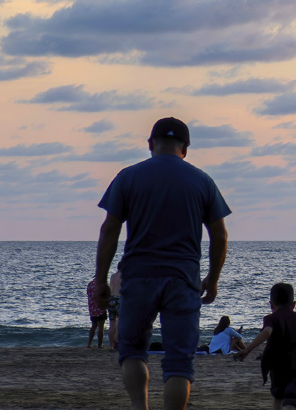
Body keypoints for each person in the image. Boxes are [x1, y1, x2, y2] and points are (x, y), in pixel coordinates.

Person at [92, 117, 232, 410]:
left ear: (150, 144)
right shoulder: (202, 180)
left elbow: (110, 229)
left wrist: (102, 279)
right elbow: (219, 235)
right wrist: (213, 278)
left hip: (139, 277)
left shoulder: (128, 177)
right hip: (183, 280)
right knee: (180, 363)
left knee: (132, 352)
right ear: (186, 148)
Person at [235, 283, 296, 410]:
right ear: (294, 304)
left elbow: (267, 332)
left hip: (277, 368)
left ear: (271, 304)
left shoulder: (271, 318)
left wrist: (247, 349)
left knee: (278, 397)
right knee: (291, 399)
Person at [86, 277, 107, 348]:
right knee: (101, 326)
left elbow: (88, 295)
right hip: (100, 308)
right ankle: (100, 345)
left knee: (94, 326)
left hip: (92, 308)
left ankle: (89, 344)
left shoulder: (90, 284)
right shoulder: (101, 285)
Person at [108, 269, 122, 350]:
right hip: (119, 298)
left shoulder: (113, 276)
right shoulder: (124, 276)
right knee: (120, 321)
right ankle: (118, 342)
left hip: (111, 299)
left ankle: (111, 345)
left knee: (111, 323)